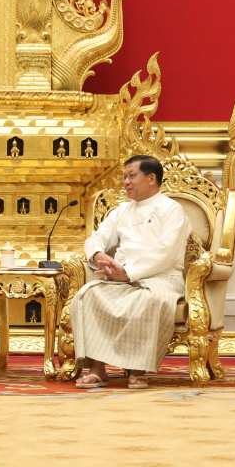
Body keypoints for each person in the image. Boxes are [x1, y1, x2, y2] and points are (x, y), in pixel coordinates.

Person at [69, 154, 190, 389]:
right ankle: (97, 369)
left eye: (131, 176)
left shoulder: (172, 210)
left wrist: (127, 273)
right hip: (120, 277)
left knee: (149, 299)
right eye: (124, 176)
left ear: (151, 178)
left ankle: (138, 370)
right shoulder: (121, 211)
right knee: (87, 295)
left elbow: (166, 253)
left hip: (160, 278)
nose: (125, 182)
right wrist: (98, 256)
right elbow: (97, 237)